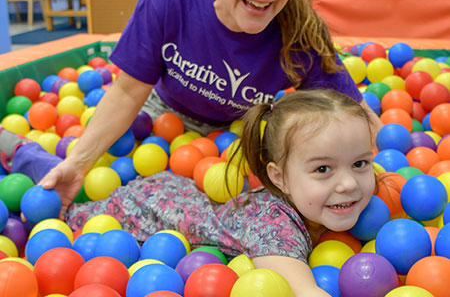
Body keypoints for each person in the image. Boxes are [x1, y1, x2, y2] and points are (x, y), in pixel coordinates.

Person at [1, 0, 381, 218]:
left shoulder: (297, 32)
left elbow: (353, 113)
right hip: (159, 116)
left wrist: (377, 171)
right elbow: (128, 90)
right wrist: (80, 162)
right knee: (86, 174)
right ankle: (20, 151)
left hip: (238, 133)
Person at [60, 88, 375, 296]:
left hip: (183, 192)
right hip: (145, 210)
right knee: (62, 209)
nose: (348, 183)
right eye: (323, 169)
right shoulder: (275, 226)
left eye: (360, 163)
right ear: (280, 179)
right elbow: (303, 290)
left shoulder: (340, 198)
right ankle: (24, 154)